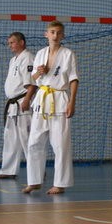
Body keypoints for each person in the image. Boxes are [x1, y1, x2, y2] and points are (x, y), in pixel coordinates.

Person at [23, 21, 79, 195]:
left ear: (63, 35)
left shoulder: (68, 54)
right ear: (46, 34)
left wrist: (72, 102)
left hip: (60, 99)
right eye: (52, 32)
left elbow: (73, 79)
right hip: (41, 100)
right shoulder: (40, 54)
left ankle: (60, 184)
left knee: (60, 144)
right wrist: (38, 72)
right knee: (34, 142)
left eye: (59, 33)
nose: (55, 35)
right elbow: (33, 79)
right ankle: (34, 181)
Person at [0, 32, 37, 180]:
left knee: (27, 140)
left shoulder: (28, 58)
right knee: (10, 139)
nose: (10, 46)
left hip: (23, 103)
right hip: (13, 105)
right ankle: (8, 170)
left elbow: (32, 83)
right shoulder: (13, 60)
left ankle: (37, 171)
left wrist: (27, 100)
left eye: (12, 42)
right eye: (9, 43)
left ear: (22, 42)